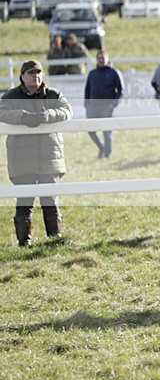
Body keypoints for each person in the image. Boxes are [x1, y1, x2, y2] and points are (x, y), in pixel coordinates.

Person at [0, 60, 73, 246]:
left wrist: (47, 115)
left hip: (49, 156)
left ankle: (55, 240)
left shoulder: (54, 94)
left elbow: (66, 111)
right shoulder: (11, 96)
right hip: (22, 158)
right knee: (25, 200)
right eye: (31, 73)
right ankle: (24, 243)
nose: (36, 76)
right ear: (22, 76)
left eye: (38, 72)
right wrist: (22, 117)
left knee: (50, 199)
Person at [84, 50, 124, 158]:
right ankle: (102, 148)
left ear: (107, 59)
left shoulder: (113, 72)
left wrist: (114, 103)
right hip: (93, 106)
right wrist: (86, 103)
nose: (101, 60)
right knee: (90, 130)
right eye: (99, 58)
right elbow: (87, 90)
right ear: (96, 59)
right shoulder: (92, 73)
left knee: (107, 132)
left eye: (103, 58)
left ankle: (107, 155)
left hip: (107, 106)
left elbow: (120, 90)